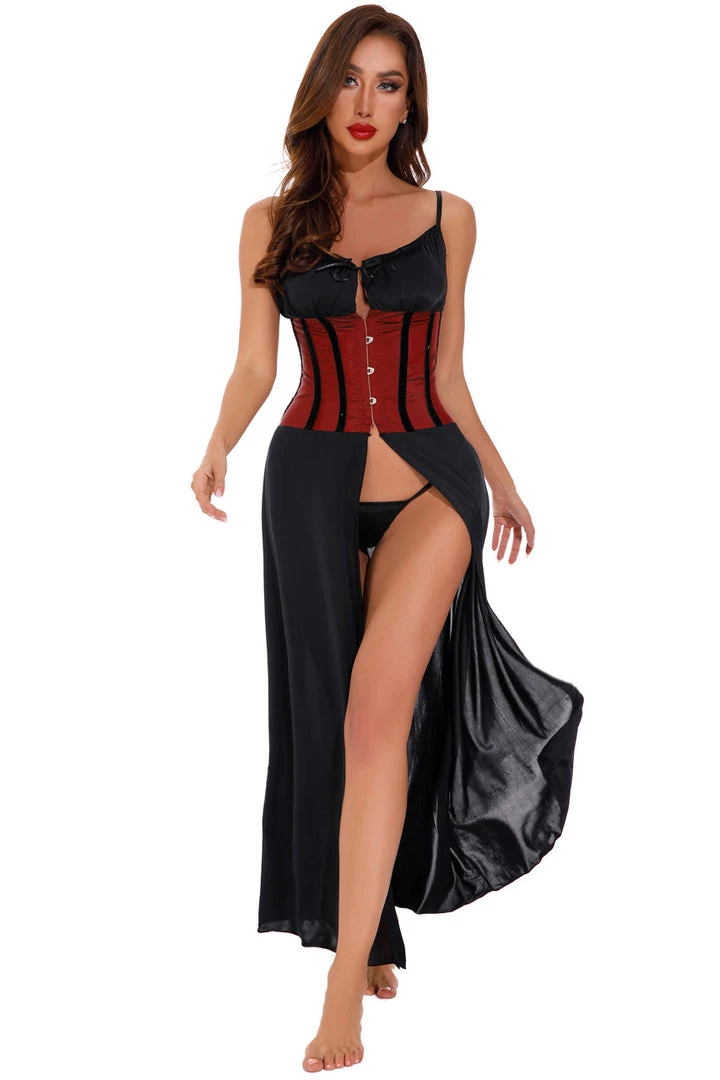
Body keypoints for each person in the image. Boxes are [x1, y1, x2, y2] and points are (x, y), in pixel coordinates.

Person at [190, 4, 584, 1072]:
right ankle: (366, 934)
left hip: (431, 488)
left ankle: (341, 995)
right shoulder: (268, 223)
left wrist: (500, 478)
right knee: (328, 720)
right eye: (352, 80)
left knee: (375, 714)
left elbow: (447, 375)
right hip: (307, 482)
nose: (367, 103)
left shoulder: (451, 217)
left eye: (391, 84)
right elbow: (256, 366)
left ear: (413, 103)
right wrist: (218, 443)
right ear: (323, 91)